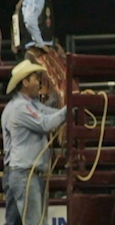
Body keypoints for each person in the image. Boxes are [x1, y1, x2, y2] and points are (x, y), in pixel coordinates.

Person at [2, 60, 67, 225]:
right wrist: (72, 106)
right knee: (35, 222)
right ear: (24, 82)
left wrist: (67, 111)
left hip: (21, 173)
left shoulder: (27, 105)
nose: (38, 82)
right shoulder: (21, 107)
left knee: (15, 222)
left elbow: (51, 115)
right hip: (25, 175)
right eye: (35, 78)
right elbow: (46, 122)